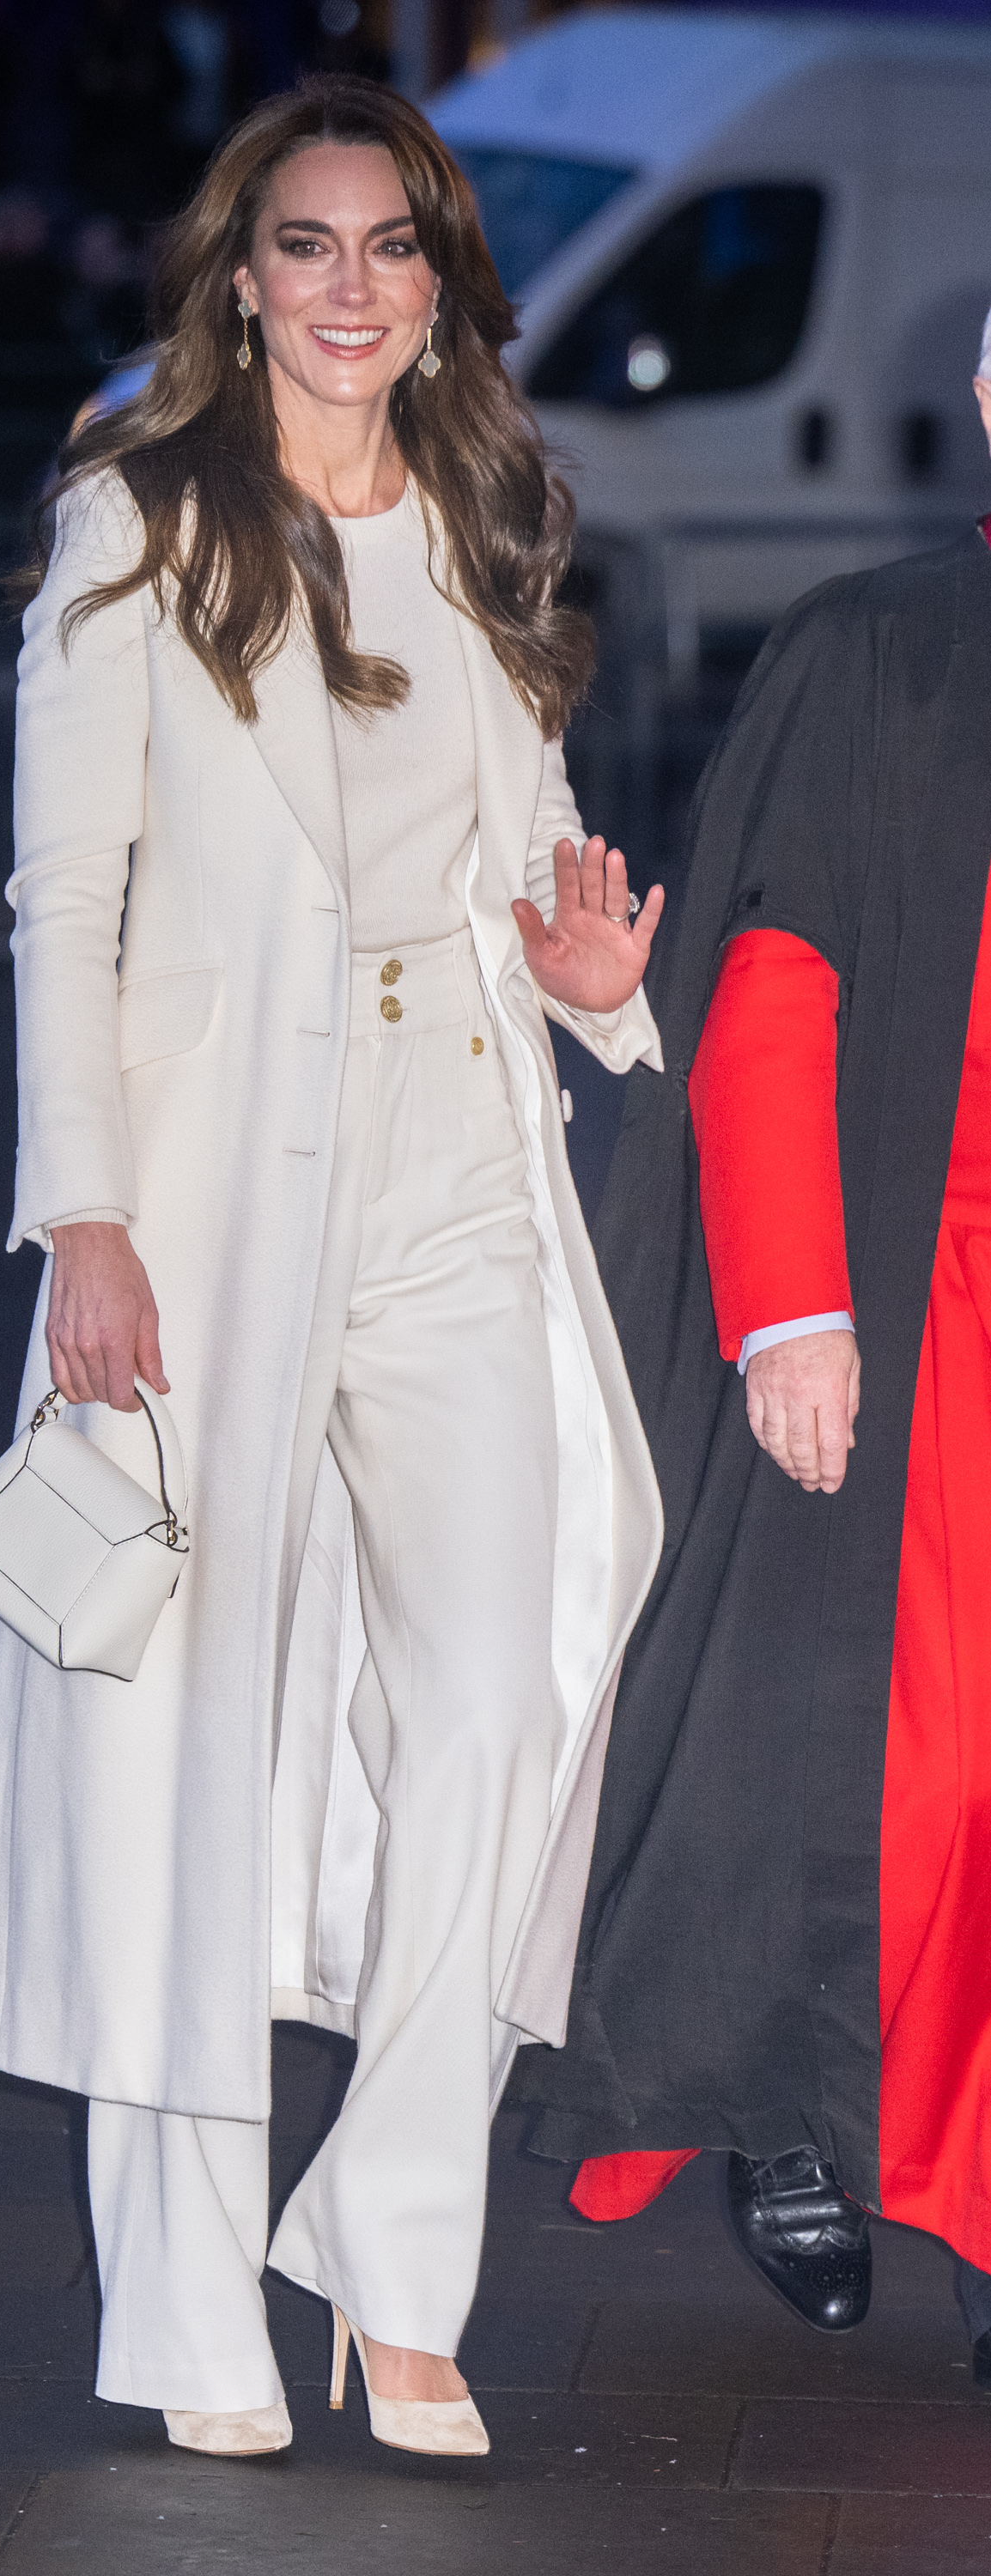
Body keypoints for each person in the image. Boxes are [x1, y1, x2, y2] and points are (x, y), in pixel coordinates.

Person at [0, 74, 666, 2459]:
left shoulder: (477, 522)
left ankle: (394, 2248)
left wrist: (591, 983)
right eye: (306, 245)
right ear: (238, 279)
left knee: (509, 1676)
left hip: (460, 1157)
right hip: (220, 1199)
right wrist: (90, 1223)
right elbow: (69, 900)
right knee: (186, 1730)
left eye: (391, 249)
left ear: (440, 287)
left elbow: (533, 853)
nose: (350, 287)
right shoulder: (137, 530)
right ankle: (180, 2309)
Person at [515, 313, 991, 2372]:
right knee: (883, 1765)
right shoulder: (879, 649)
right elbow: (770, 984)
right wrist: (794, 1307)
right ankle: (789, 2117)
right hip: (920, 1290)